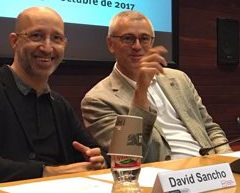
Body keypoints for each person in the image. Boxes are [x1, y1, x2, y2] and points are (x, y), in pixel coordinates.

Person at [0, 7, 105, 187]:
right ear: (14, 41)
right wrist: (45, 172)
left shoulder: (59, 104)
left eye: (56, 38)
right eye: (36, 36)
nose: (47, 48)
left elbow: (91, 152)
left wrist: (96, 160)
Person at [81, 11, 231, 162]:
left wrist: (229, 159)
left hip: (209, 169)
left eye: (144, 39)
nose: (137, 46)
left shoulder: (179, 79)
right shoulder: (97, 99)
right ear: (110, 44)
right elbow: (127, 157)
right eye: (128, 38)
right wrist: (141, 89)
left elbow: (209, 129)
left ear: (152, 43)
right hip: (161, 175)